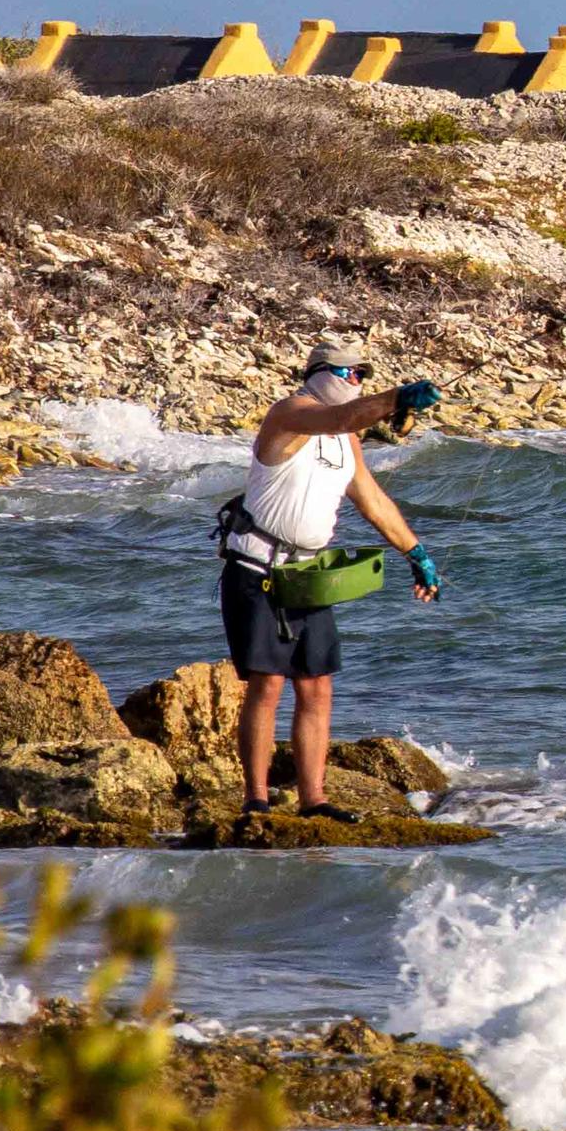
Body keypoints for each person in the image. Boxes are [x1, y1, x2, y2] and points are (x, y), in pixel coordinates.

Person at [221, 338, 443, 817]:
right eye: (351, 373)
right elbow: (339, 417)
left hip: (307, 573)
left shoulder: (348, 443)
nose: (358, 380)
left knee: (317, 684)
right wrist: (398, 399)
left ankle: (314, 800)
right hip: (257, 569)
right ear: (322, 374)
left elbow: (372, 499)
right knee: (268, 685)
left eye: (363, 374)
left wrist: (416, 552)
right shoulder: (292, 414)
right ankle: (255, 800)